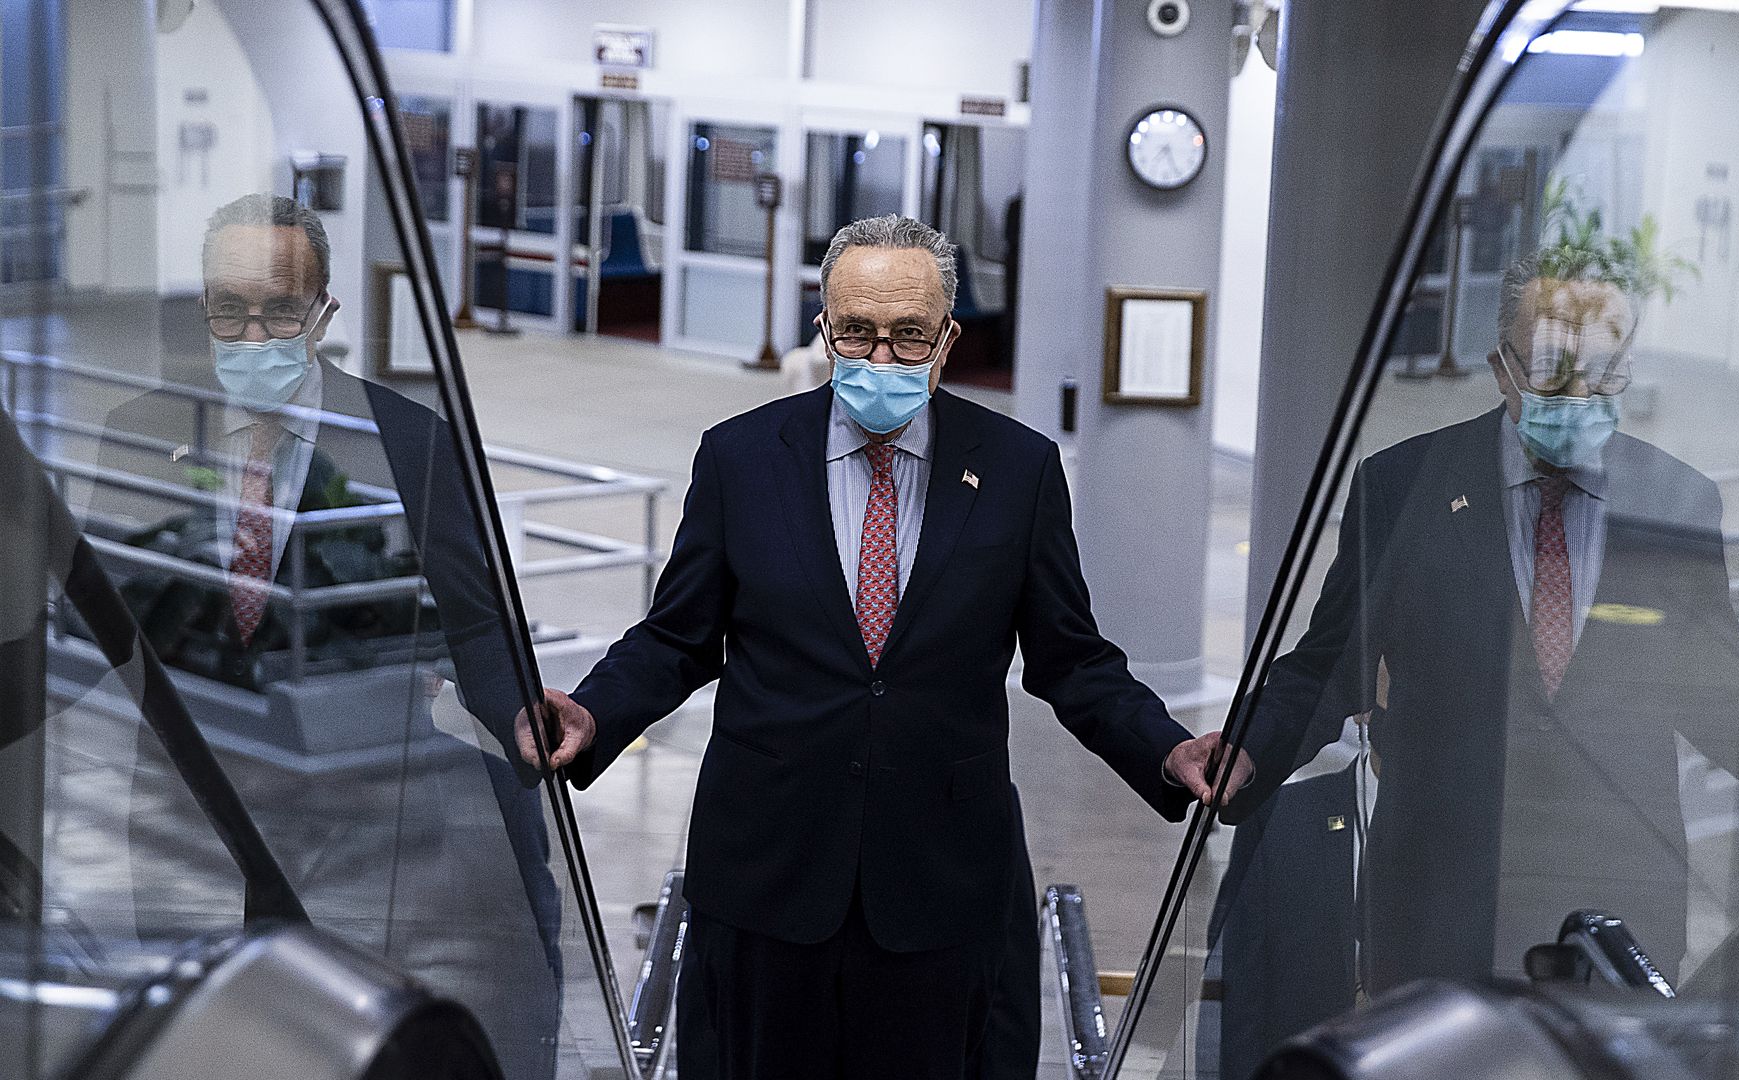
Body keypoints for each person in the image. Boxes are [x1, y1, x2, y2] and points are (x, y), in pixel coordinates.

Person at [521, 213, 1246, 1078]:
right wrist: (593, 711)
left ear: (948, 339)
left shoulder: (1017, 470)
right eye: (857, 332)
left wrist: (1169, 750)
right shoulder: (742, 458)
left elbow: (1071, 657)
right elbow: (676, 638)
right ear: (824, 327)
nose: (880, 359)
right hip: (767, 877)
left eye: (909, 337)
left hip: (940, 888)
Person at [1218, 251, 1739, 1006]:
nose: (1579, 395)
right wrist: (1248, 748)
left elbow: (1713, 690)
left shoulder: (1676, 499)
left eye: (1605, 371)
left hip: (1615, 896)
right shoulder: (1403, 484)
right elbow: (1331, 665)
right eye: (1550, 369)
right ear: (1501, 367)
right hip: (1440, 899)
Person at [81, 193, 561, 1079]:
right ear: (204, 309)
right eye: (232, 307)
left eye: (282, 310)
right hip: (188, 816)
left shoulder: (406, 442)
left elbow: (476, 619)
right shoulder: (139, 431)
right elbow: (105, 611)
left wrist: (526, 732)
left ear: (325, 312)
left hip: (353, 821)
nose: (254, 333)